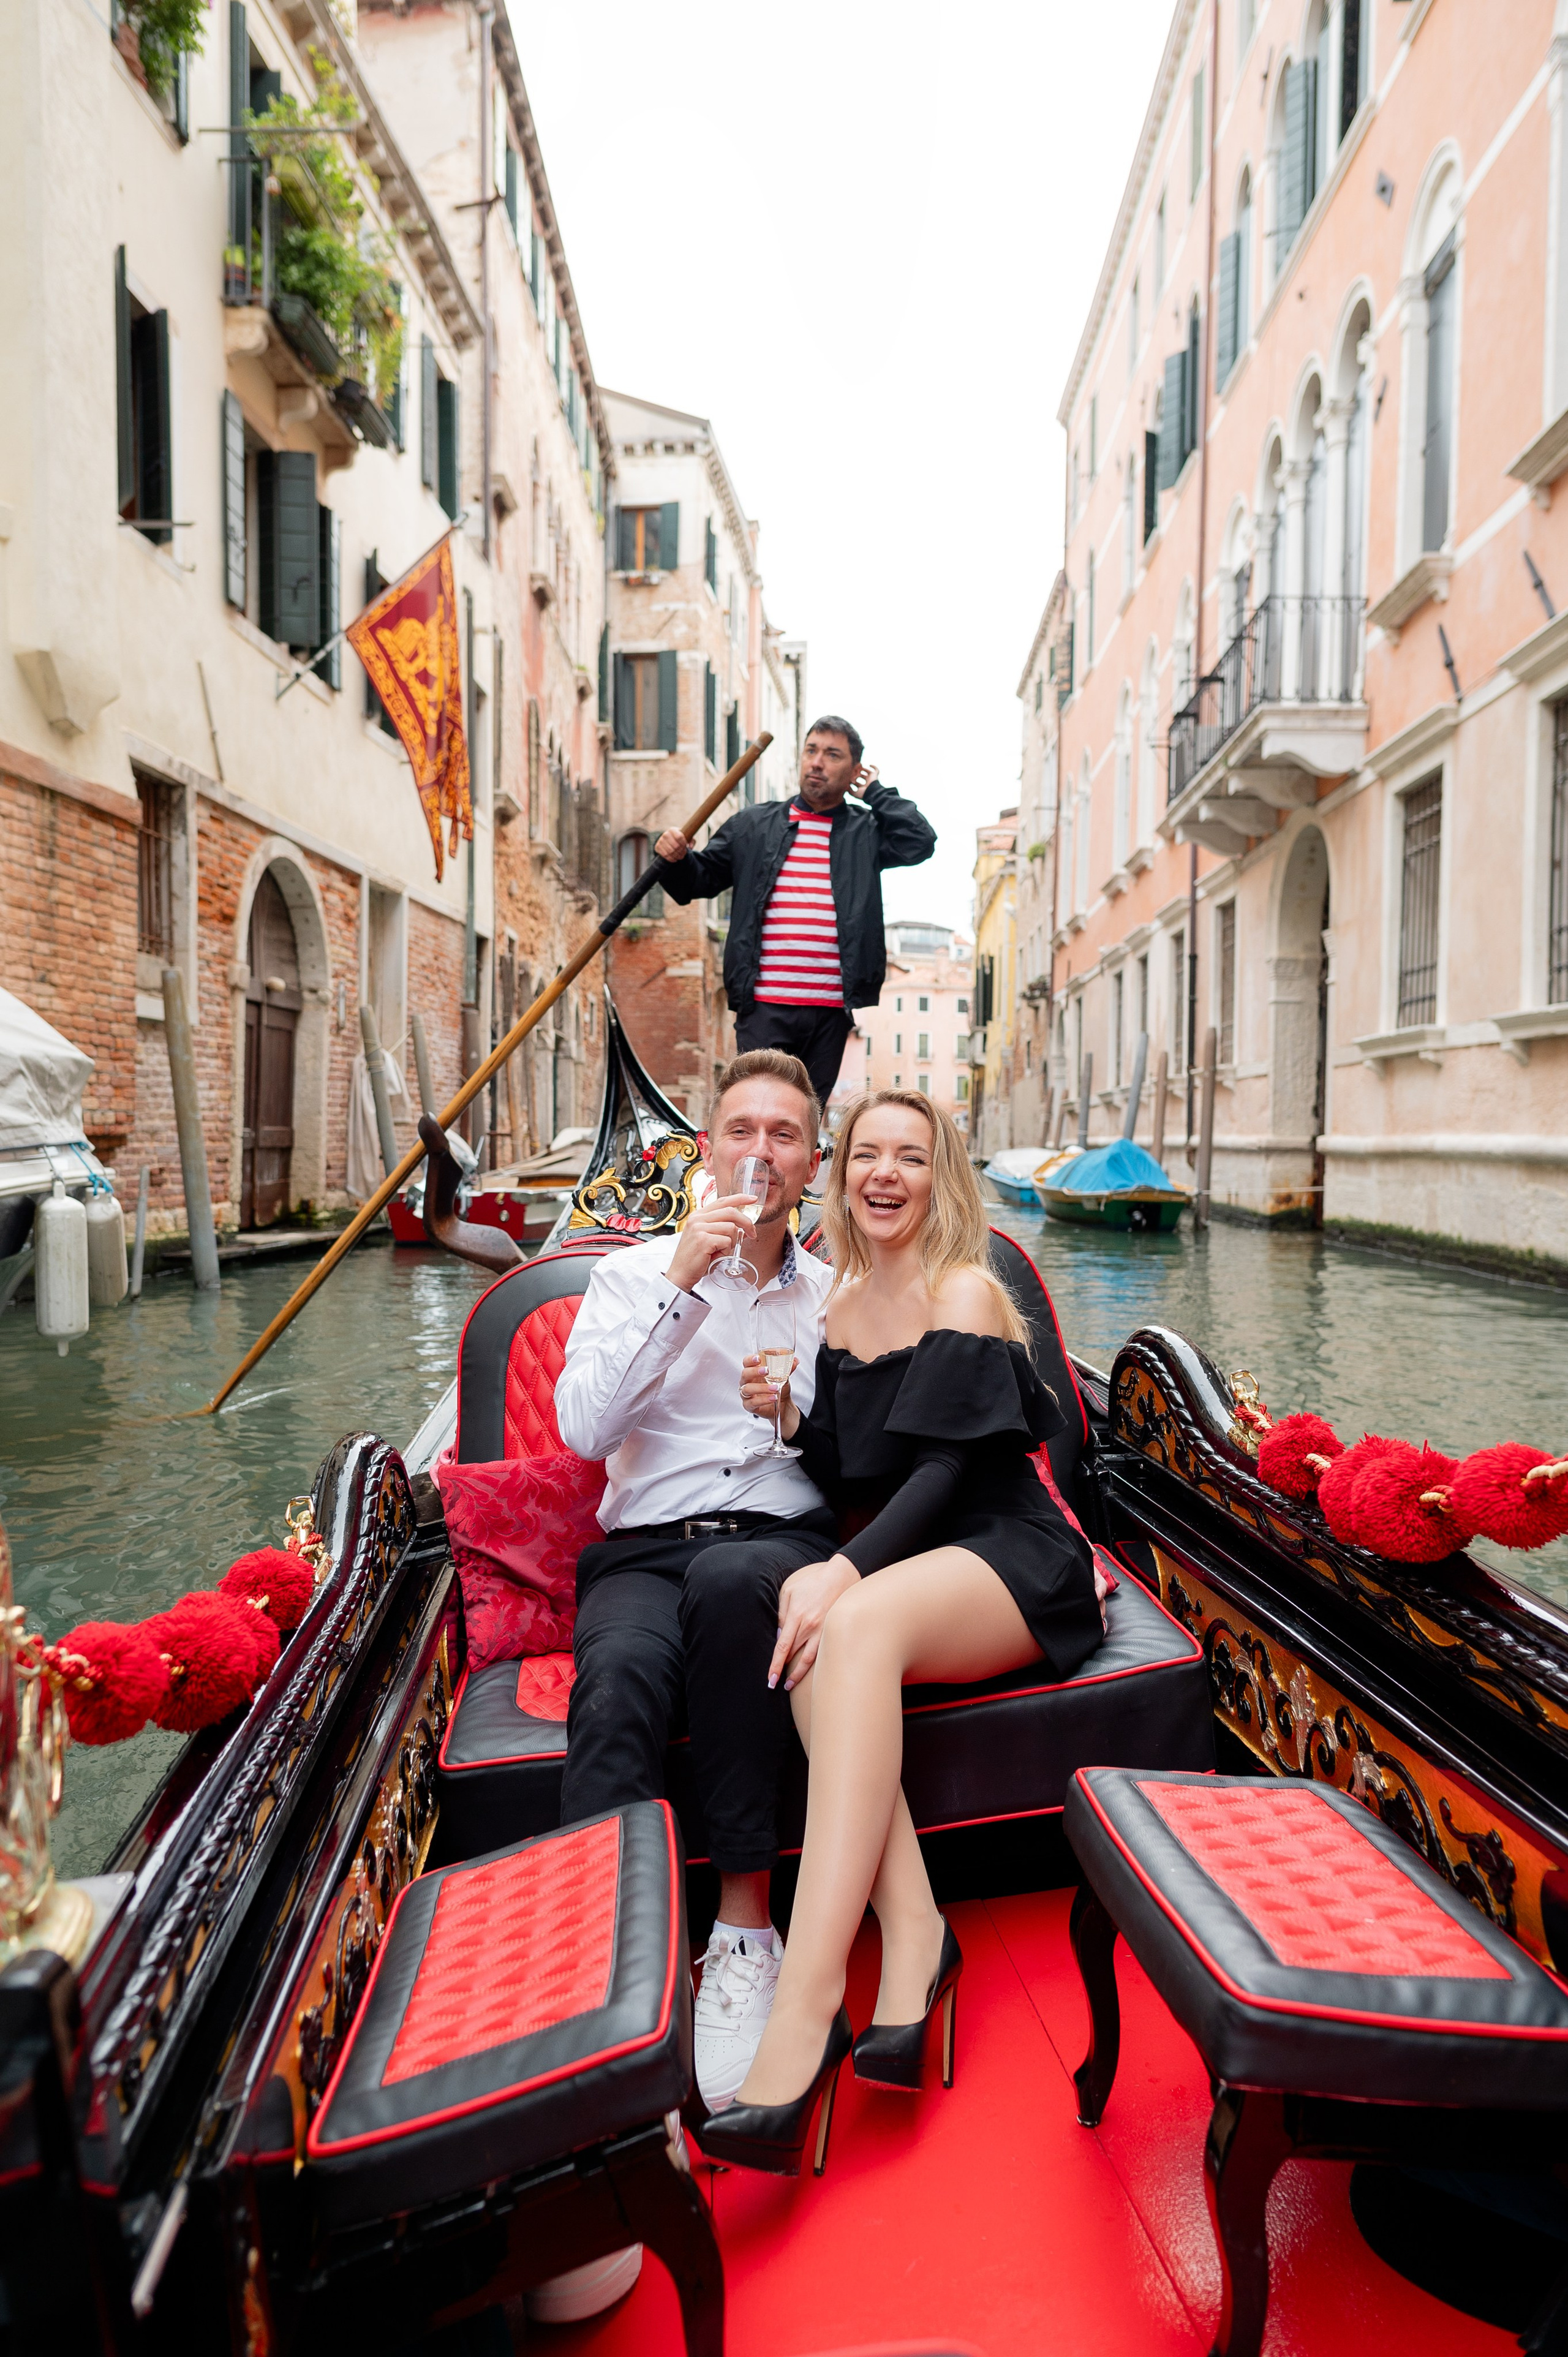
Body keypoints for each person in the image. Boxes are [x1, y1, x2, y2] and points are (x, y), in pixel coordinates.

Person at [698, 1088, 1103, 2178]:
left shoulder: (964, 1289)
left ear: (941, 1176)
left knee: (846, 1617)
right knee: (812, 1645)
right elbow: (846, 1470)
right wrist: (788, 1418)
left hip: (1010, 1555)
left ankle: (812, 1998)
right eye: (868, 1154)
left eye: (910, 1158)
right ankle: (917, 1934)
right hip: (919, 1565)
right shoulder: (832, 1313)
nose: (885, 1174)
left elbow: (944, 1472)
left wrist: (837, 1569)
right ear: (844, 1172)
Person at [553, 1049, 837, 2111]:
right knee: (619, 1673)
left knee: (732, 1585)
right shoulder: (631, 1274)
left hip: (776, 1548)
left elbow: (867, 1452)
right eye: (740, 1130)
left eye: (783, 1135)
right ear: (705, 1149)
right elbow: (585, 1430)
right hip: (643, 1548)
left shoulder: (833, 1296)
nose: (759, 1151)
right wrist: (681, 1283)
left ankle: (745, 1931)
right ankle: (608, 1973)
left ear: (810, 1163)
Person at [653, 717, 936, 1112]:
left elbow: (920, 842)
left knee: (805, 1122)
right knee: (756, 1112)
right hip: (764, 1007)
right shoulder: (753, 825)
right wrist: (676, 858)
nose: (817, 762)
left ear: (854, 771)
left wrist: (876, 792)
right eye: (811, 751)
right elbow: (696, 882)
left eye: (832, 755)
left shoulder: (866, 832)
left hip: (830, 1011)